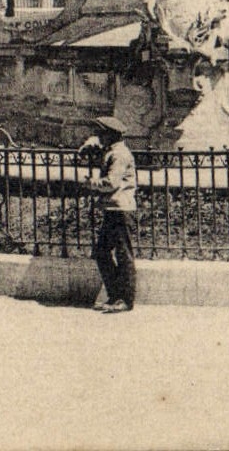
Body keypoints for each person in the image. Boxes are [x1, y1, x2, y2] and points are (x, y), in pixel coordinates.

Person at [85, 116, 137, 314]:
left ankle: (125, 300)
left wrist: (91, 184)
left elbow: (111, 183)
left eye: (102, 133)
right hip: (113, 209)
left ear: (111, 135)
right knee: (102, 252)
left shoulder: (120, 154)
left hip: (121, 210)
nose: (99, 136)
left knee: (124, 255)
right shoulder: (112, 151)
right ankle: (115, 295)